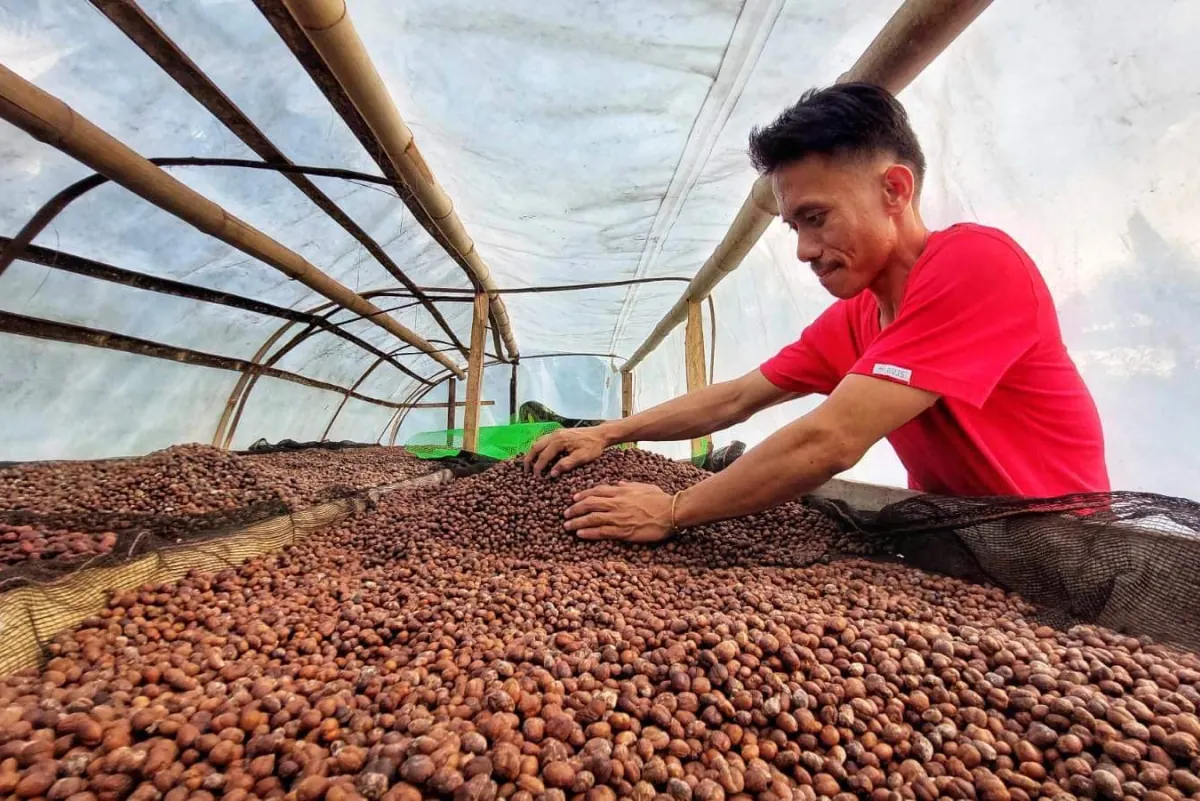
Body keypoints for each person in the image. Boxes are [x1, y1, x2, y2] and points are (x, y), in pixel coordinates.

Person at [524, 83, 1109, 543]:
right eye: (794, 227)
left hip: (1064, 549)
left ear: (896, 191)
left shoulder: (977, 265)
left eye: (817, 217)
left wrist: (673, 510)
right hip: (957, 537)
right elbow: (736, 398)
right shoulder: (858, 317)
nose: (804, 250)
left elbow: (833, 439)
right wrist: (608, 432)